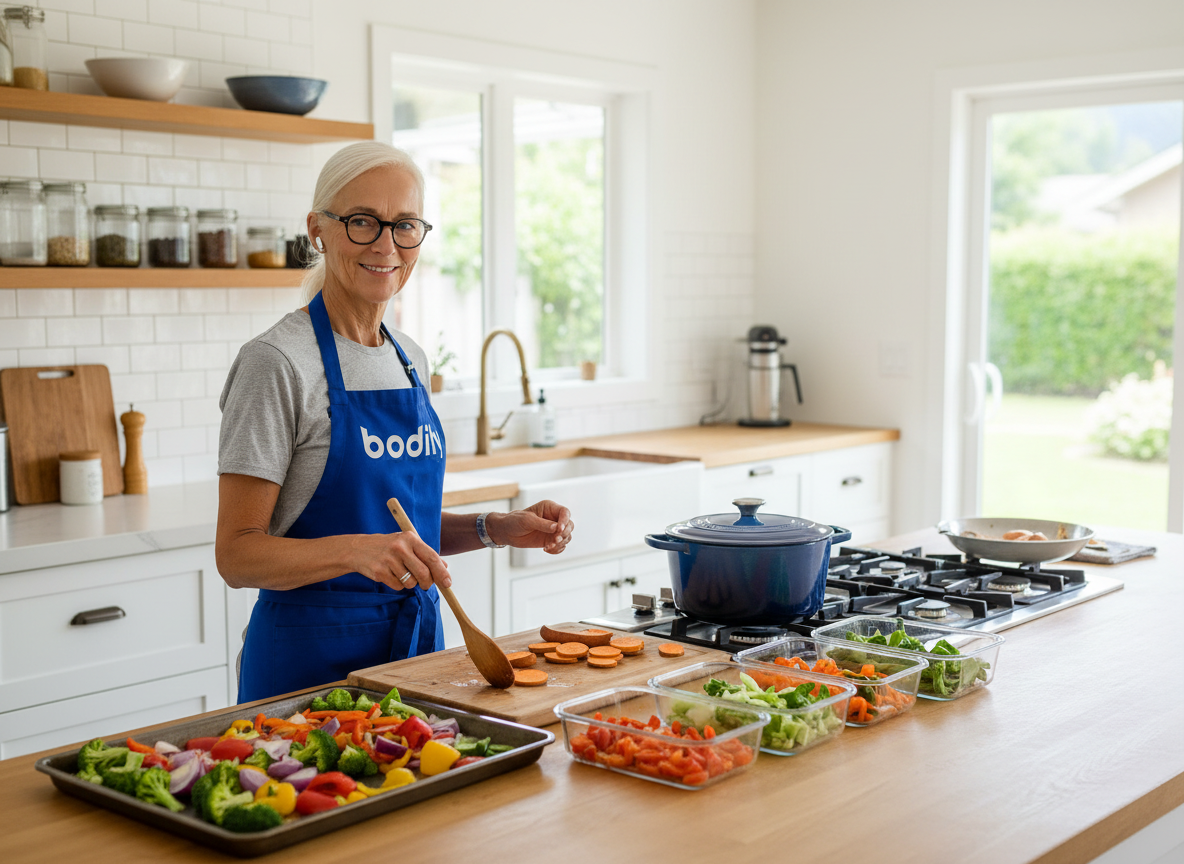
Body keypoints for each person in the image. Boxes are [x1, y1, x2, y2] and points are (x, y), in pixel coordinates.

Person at [216, 141, 574, 703]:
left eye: (404, 225)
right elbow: (236, 555)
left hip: (413, 655)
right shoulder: (277, 363)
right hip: (308, 664)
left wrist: (494, 528)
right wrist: (358, 551)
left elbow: (407, 532)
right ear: (318, 230)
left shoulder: (410, 359)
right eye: (362, 222)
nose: (386, 245)